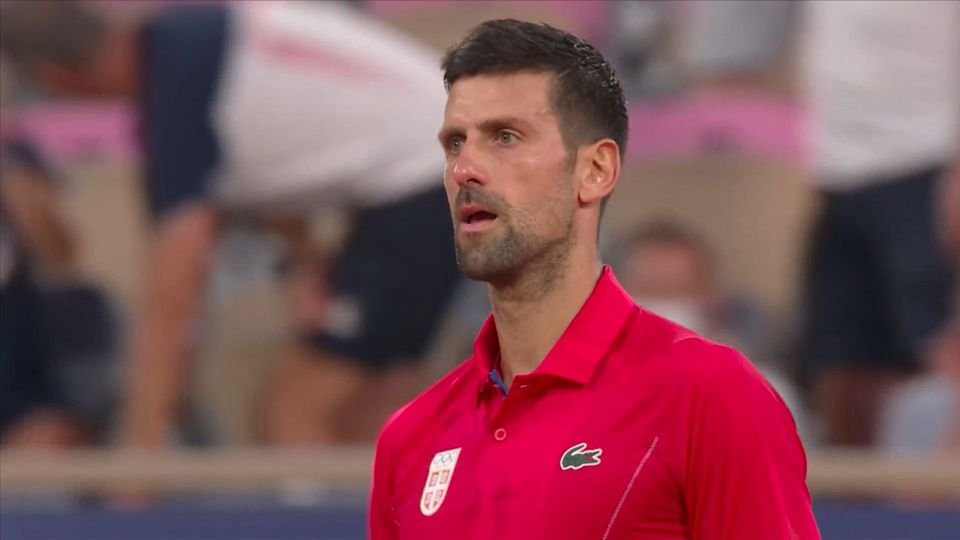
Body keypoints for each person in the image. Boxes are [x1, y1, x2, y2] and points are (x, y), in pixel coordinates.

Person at [369, 19, 819, 539]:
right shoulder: (410, 438)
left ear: (596, 170)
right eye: (455, 143)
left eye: (505, 137)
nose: (464, 169)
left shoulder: (710, 395)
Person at [0, 0, 460, 449]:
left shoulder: (177, 91)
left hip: (428, 180)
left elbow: (174, 290)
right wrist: (304, 261)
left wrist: (140, 458)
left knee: (295, 413)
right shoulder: (188, 37)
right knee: (366, 411)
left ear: (55, 78)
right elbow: (275, 151)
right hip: (440, 167)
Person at [683, 0, 959, 447]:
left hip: (928, 160)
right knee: (840, 360)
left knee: (938, 349)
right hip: (838, 172)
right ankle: (861, 489)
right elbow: (731, 59)